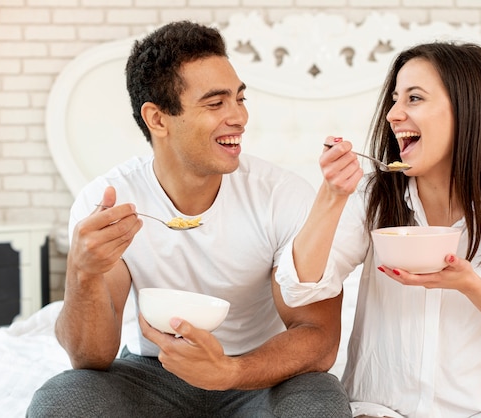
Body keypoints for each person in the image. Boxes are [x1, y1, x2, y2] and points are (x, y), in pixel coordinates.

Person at [27, 21, 351, 418]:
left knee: (320, 401)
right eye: (216, 104)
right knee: (63, 399)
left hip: (258, 374)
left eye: (239, 98)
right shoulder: (107, 203)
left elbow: (318, 336)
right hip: (152, 373)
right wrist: (83, 272)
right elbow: (89, 356)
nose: (239, 117)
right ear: (158, 119)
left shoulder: (282, 195)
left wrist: (230, 371)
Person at [275, 42, 481, 417]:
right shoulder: (374, 197)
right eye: (395, 99)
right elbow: (299, 287)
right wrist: (331, 196)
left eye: (414, 98)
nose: (393, 114)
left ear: (468, 110)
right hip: (378, 410)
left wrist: (470, 284)